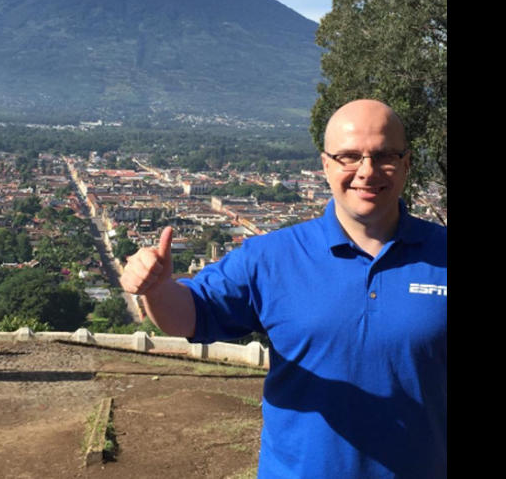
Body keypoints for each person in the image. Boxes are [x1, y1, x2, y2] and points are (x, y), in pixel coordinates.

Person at [120, 99, 446, 478]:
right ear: (325, 165)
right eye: (349, 156)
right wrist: (158, 289)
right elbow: (190, 316)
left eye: (385, 155)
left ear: (406, 163)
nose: (367, 171)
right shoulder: (270, 256)